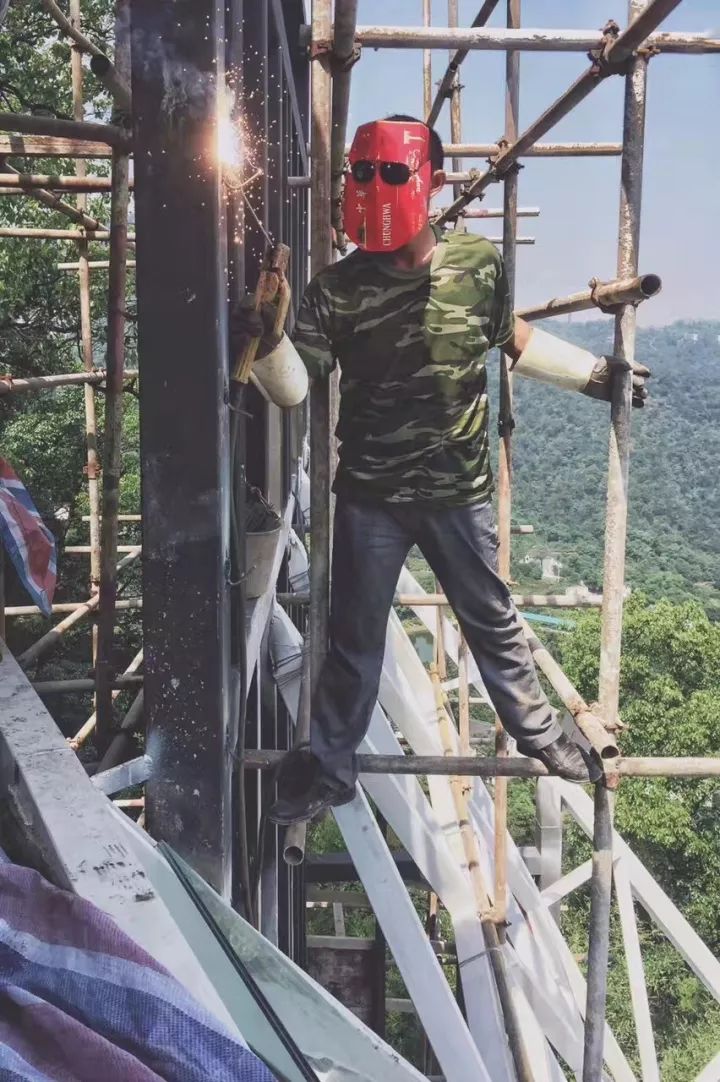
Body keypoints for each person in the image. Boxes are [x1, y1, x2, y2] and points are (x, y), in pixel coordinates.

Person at [233, 115, 649, 825]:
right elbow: (297, 387)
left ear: (431, 182)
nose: (373, 187)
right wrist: (270, 340)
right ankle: (329, 770)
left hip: (459, 495)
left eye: (391, 173)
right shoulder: (335, 289)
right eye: (361, 174)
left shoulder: (476, 267)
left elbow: (509, 337)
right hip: (371, 496)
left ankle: (544, 739)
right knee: (352, 643)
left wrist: (593, 375)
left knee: (492, 623)